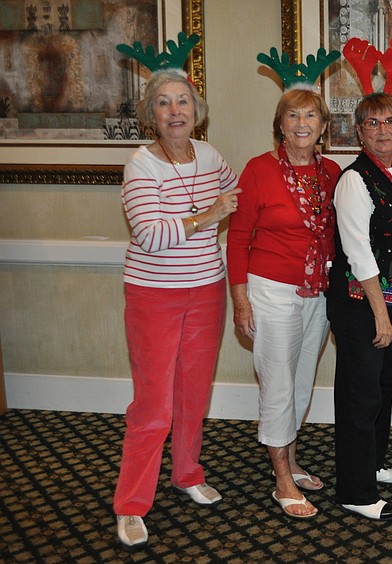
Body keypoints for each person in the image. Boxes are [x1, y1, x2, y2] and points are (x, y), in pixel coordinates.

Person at [114, 69, 240, 547]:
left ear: (196, 109)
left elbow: (236, 196)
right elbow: (151, 234)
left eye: (183, 101)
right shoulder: (140, 164)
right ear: (152, 113)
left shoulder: (208, 155)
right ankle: (130, 504)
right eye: (164, 103)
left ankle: (187, 472)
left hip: (207, 290)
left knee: (192, 393)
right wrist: (208, 215)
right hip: (154, 296)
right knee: (152, 406)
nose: (174, 111)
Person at [226, 88, 341, 519]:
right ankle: (281, 479)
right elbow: (237, 240)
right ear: (280, 124)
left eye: (310, 116)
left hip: (318, 291)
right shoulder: (259, 170)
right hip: (271, 290)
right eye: (292, 116)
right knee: (277, 383)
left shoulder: (330, 171)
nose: (301, 123)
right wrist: (241, 301)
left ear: (324, 127)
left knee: (302, 380)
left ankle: (290, 457)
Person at [328, 92, 392, 520]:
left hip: (391, 297)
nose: (383, 129)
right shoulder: (354, 179)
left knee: (380, 384)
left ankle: (370, 463)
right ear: (359, 131)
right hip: (362, 303)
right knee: (359, 393)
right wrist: (380, 314)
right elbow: (359, 253)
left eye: (390, 121)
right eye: (373, 123)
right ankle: (355, 490)